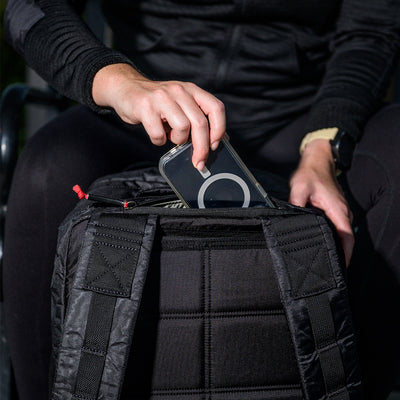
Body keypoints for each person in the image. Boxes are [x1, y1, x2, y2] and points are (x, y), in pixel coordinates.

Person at [3, 0, 400, 399]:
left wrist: (323, 150)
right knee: (47, 169)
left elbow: (370, 29)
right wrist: (118, 81)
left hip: (299, 119)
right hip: (148, 114)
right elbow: (30, 8)